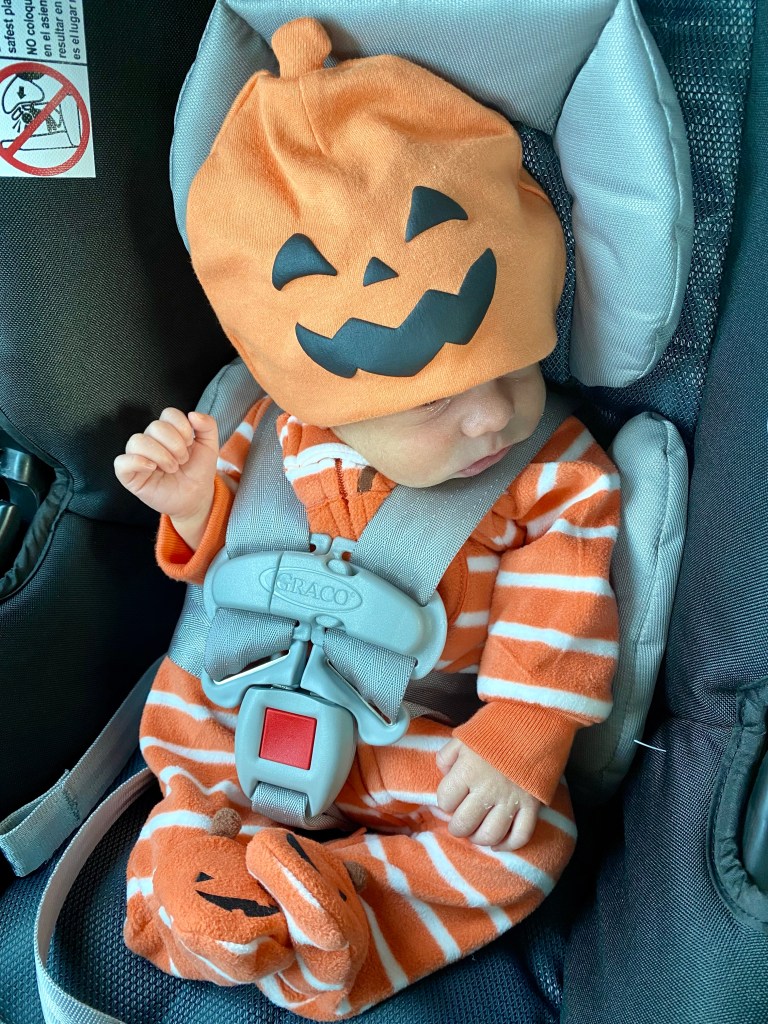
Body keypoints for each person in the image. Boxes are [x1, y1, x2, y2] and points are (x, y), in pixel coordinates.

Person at [114, 17, 620, 1020]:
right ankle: (196, 875)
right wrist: (191, 508)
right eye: (434, 403)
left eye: (512, 368)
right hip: (238, 706)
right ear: (320, 399)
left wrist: (524, 725)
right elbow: (231, 562)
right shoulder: (267, 431)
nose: (490, 415)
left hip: (419, 733)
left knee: (525, 842)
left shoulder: (551, 471)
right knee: (174, 748)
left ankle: (344, 932)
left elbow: (561, 610)